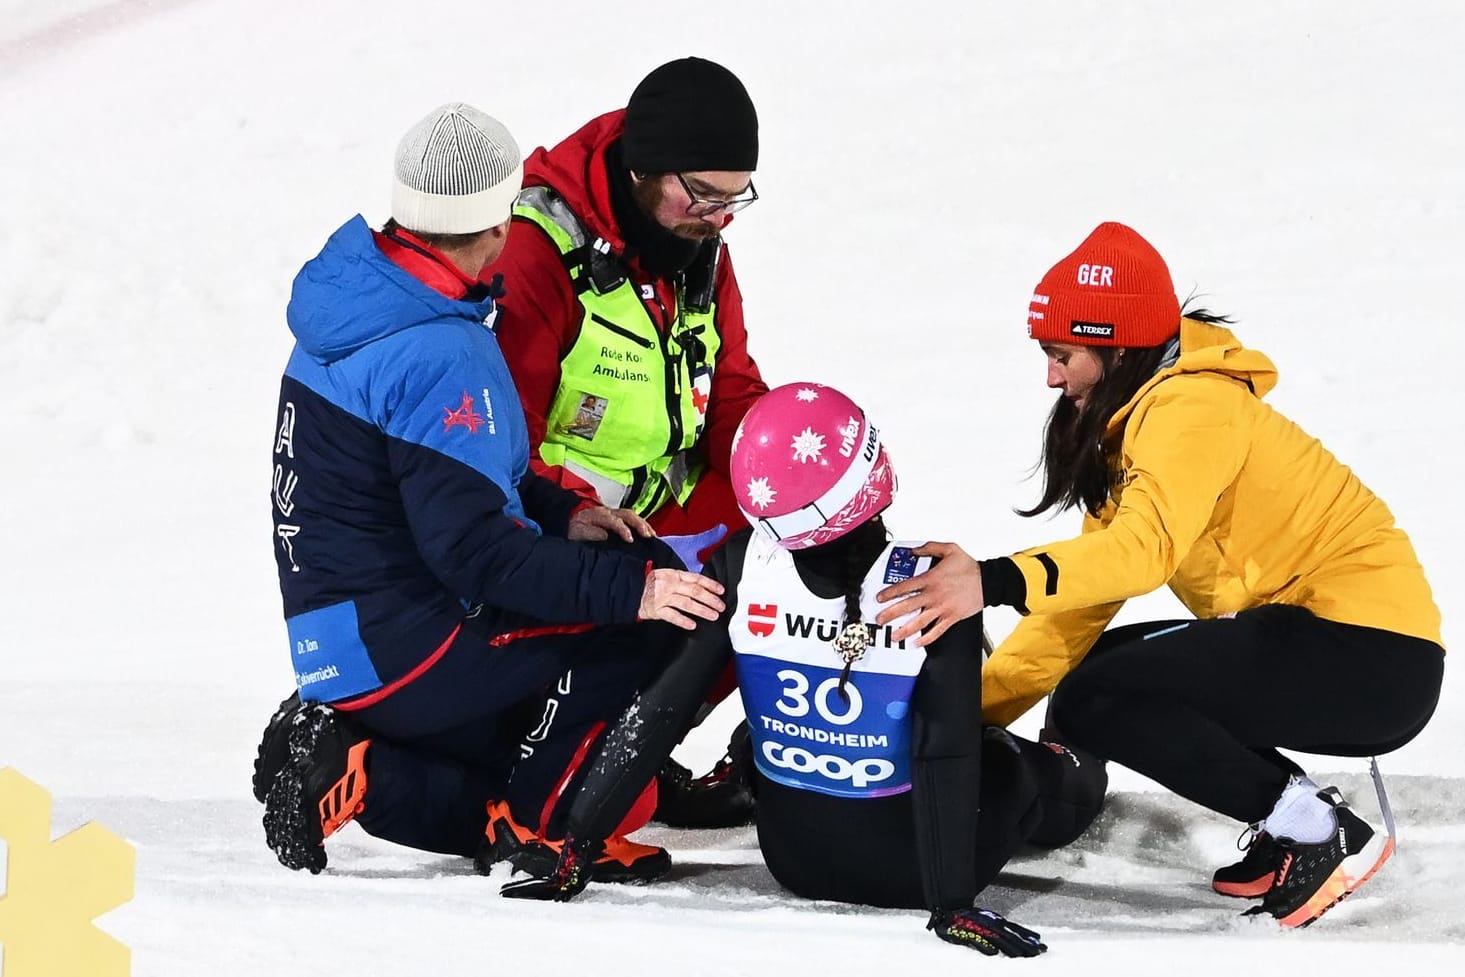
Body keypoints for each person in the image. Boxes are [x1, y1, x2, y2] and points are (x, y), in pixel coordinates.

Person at [875, 222, 1445, 929]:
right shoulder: (1141, 413)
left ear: (1115, 346)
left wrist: (987, 580)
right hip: (1322, 639)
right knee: (1101, 671)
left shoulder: (1189, 409)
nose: (1050, 376)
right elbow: (1079, 604)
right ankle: (1297, 818)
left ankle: (1309, 827)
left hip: (1367, 656)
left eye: (1061, 355)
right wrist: (965, 717)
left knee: (1098, 696)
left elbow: (1141, 552)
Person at [253, 103, 726, 878]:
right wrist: (634, 589)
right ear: (501, 218)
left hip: (341, 641)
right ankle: (556, 823)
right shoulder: (443, 348)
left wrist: (563, 511)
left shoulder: (360, 301)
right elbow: (475, 554)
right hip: (410, 645)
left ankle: (359, 765)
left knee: (536, 747)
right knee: (665, 627)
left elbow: (441, 480)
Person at [492, 383, 1108, 957]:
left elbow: (655, 714)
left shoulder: (738, 565)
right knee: (1011, 760)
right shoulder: (938, 587)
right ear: (874, 471)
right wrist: (952, 904)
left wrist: (577, 848)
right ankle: (1073, 756)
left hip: (793, 859)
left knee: (754, 734)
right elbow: (945, 754)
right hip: (916, 870)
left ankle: (745, 775)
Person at [486, 56, 771, 826]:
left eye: (732, 195)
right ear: (643, 169)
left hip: (664, 519)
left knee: (784, 551)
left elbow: (732, 392)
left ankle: (640, 744)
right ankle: (557, 749)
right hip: (563, 528)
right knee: (683, 597)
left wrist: (803, 467)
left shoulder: (695, 240)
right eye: (703, 195)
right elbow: (504, 439)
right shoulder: (536, 248)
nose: (720, 216)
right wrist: (577, 515)